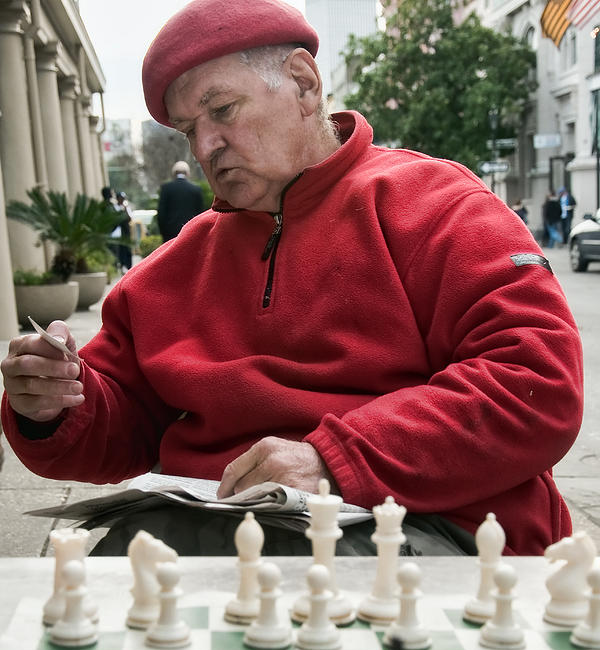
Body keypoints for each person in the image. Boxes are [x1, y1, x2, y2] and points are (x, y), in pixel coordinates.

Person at [0, 0, 583, 558]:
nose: (205, 145)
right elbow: (121, 422)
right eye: (187, 130)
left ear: (304, 84)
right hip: (207, 524)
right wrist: (55, 404)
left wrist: (337, 459)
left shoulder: (439, 205)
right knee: (97, 608)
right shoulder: (172, 270)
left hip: (416, 522)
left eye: (222, 110)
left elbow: (536, 380)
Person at [157, 160, 206, 242]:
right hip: (190, 232)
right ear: (187, 173)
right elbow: (200, 213)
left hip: (170, 234)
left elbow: (161, 214)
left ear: (174, 173)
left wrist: (163, 233)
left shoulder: (166, 188)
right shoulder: (196, 190)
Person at [115, 191, 133, 272]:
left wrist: (125, 209)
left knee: (128, 250)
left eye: (123, 199)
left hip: (126, 233)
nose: (122, 200)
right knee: (121, 251)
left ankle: (129, 267)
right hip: (118, 233)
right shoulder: (115, 208)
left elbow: (130, 218)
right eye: (120, 198)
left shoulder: (126, 207)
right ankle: (122, 266)